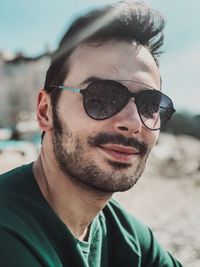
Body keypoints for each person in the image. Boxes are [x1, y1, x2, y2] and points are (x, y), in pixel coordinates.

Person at [0, 1, 182, 266]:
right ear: (45, 111)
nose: (133, 123)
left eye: (150, 105)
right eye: (102, 97)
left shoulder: (126, 233)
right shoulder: (8, 235)